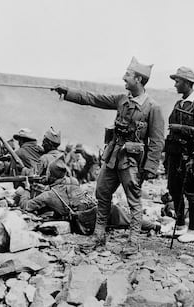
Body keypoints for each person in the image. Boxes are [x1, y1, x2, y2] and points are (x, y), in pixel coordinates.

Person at [52, 57, 165, 254]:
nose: (124, 78)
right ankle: (99, 235)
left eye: (128, 75)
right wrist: (68, 93)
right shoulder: (122, 100)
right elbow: (93, 98)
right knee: (102, 192)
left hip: (132, 162)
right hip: (113, 157)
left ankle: (133, 240)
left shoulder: (152, 107)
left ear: (138, 79)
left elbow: (157, 141)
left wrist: (150, 168)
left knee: (134, 200)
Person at [165, 67, 194, 243]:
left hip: (189, 156)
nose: (175, 84)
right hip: (174, 154)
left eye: (178, 81)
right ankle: (180, 224)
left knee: (191, 191)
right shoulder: (179, 103)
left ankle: (192, 229)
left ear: (187, 83)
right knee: (174, 189)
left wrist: (179, 128)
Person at [16, 159, 96, 234]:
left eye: (47, 173)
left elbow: (25, 206)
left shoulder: (48, 195)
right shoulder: (73, 182)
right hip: (90, 217)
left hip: (77, 224)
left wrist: (27, 190)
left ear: (50, 175)